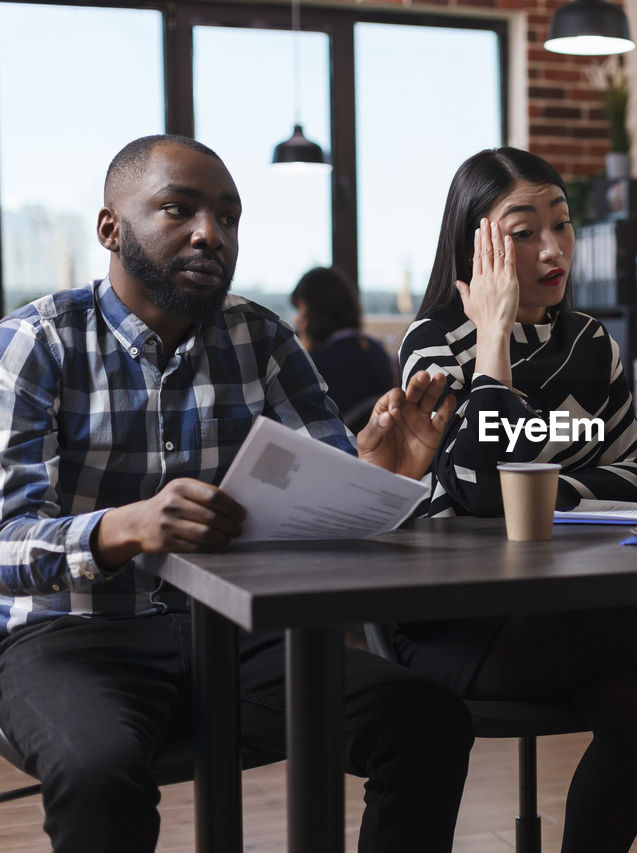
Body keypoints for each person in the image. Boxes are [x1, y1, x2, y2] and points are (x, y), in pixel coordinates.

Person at [0, 135, 473, 853]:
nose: (208, 233)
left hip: (234, 627)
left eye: (228, 217)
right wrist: (120, 528)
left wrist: (386, 471)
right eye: (178, 209)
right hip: (70, 633)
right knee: (99, 773)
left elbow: (333, 503)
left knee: (428, 719)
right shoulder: (38, 342)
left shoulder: (263, 337)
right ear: (110, 228)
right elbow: (5, 539)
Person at [393, 147, 637, 853]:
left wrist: (543, 494)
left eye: (563, 225)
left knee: (633, 707)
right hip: (454, 619)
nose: (552, 248)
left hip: (562, 603)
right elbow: (479, 493)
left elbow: (634, 475)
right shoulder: (435, 344)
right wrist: (493, 339)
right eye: (522, 231)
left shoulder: (591, 345)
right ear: (475, 244)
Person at [291, 265, 398, 430]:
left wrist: (302, 352)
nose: (296, 320)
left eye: (300, 309)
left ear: (313, 312)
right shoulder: (377, 350)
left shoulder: (317, 365)